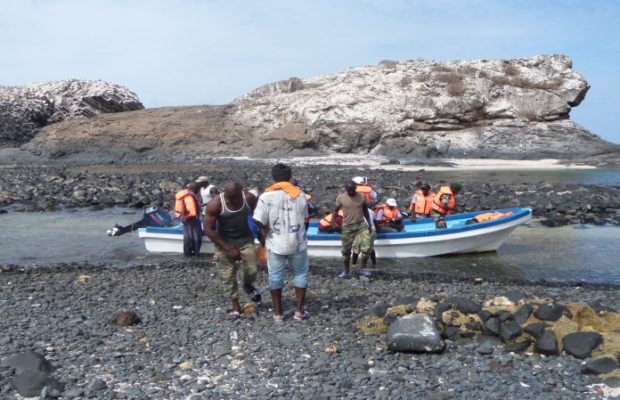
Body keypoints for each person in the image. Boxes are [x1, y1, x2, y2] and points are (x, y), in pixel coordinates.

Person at [253, 163, 310, 322]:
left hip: (276, 243)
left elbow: (257, 220)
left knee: (276, 276)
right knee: (300, 274)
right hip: (298, 242)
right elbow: (305, 217)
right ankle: (299, 311)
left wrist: (264, 232)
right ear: (290, 177)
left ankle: (278, 313)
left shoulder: (266, 197)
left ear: (273, 178)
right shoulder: (301, 195)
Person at [204, 181, 261, 320]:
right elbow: (208, 229)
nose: (233, 201)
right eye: (230, 198)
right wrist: (228, 248)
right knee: (228, 277)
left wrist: (262, 235)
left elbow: (259, 216)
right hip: (223, 242)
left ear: (242, 192)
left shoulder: (249, 198)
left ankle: (247, 284)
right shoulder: (216, 204)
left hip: (245, 240)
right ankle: (235, 305)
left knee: (252, 269)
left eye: (236, 198)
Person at [332, 180, 373, 278]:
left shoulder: (361, 197)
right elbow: (335, 210)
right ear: (346, 189)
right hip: (347, 226)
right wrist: (332, 221)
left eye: (352, 190)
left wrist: (370, 224)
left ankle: (363, 268)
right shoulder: (341, 198)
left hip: (361, 225)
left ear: (355, 188)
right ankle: (346, 271)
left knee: (367, 247)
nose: (350, 192)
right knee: (346, 250)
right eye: (348, 190)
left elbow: (365, 211)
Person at [106, 205, 174, 236]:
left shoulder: (166, 217)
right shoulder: (167, 218)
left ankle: (120, 230)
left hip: (148, 221)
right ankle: (120, 230)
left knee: (138, 225)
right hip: (150, 222)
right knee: (138, 225)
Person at [174, 182, 202, 256]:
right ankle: (195, 254)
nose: (199, 191)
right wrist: (184, 217)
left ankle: (189, 254)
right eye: (198, 189)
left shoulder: (187, 195)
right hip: (191, 220)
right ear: (195, 189)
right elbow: (184, 208)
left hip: (188, 220)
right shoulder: (188, 196)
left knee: (189, 238)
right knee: (196, 238)